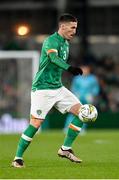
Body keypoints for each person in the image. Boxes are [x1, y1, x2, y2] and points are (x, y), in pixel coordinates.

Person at [12, 13, 84, 168]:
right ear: (63, 26)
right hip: (42, 89)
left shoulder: (66, 43)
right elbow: (53, 58)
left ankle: (65, 149)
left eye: (76, 28)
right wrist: (69, 68)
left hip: (57, 87)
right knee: (35, 124)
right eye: (72, 27)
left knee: (83, 112)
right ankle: (17, 158)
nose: (74, 31)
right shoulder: (50, 41)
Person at [64, 63, 100, 134]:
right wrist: (76, 94)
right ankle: (67, 127)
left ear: (89, 70)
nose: (84, 71)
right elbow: (73, 87)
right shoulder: (77, 78)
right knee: (73, 112)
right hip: (78, 97)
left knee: (86, 114)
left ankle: (81, 129)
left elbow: (96, 88)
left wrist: (92, 95)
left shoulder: (92, 78)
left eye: (86, 70)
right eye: (83, 69)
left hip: (87, 98)